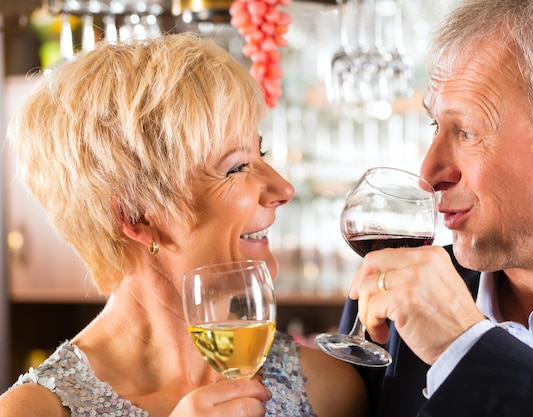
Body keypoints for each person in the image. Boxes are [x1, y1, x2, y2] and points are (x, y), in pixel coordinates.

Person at [0, 32, 368, 417]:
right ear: (137, 217)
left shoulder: (330, 389)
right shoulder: (32, 411)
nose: (283, 187)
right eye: (236, 166)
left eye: (261, 152)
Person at [339, 0, 533, 416]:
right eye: (436, 126)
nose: (430, 171)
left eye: (469, 131)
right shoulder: (398, 291)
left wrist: (465, 348)